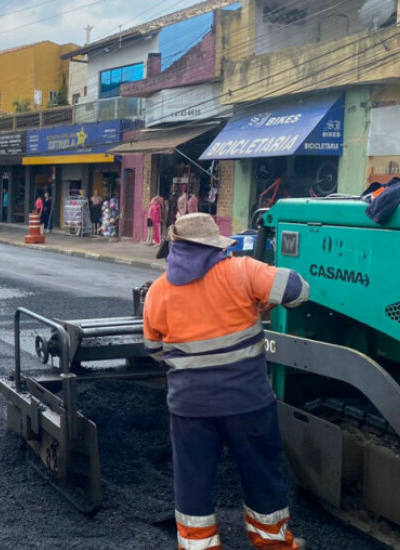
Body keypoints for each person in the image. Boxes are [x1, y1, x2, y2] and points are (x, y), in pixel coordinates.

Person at [142, 213, 310, 550]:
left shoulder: (158, 292)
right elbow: (298, 290)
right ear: (214, 245)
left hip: (190, 409)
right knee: (262, 475)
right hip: (248, 402)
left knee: (192, 483)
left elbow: (155, 350)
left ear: (174, 248)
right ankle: (273, 544)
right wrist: (262, 302)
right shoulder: (242, 270)